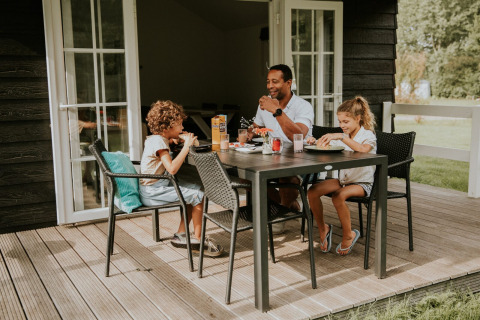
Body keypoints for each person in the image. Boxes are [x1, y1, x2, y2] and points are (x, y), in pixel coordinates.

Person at [139, 100, 224, 257]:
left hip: (155, 187)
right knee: (198, 195)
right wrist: (186, 147)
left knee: (195, 189)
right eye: (179, 125)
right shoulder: (159, 142)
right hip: (153, 191)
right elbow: (171, 169)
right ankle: (198, 239)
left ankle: (181, 234)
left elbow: (166, 150)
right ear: (167, 127)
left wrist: (174, 140)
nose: (182, 128)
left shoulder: (159, 139)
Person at [306, 96, 376, 255]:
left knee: (338, 196)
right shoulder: (346, 136)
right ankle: (323, 228)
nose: (342, 125)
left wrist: (341, 136)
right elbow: (328, 147)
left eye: (346, 122)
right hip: (343, 180)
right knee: (312, 191)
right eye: (340, 122)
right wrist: (314, 142)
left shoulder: (368, 136)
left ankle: (349, 235)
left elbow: (363, 150)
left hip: (362, 183)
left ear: (358, 119)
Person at [247, 64, 314, 232]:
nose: (270, 86)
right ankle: (285, 206)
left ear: (288, 82)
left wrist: (276, 111)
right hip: (272, 157)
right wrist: (250, 132)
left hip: (301, 161)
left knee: (287, 178)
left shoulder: (303, 106)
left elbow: (297, 136)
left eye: (275, 81)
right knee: (248, 177)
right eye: (268, 81)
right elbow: (255, 128)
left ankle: (281, 214)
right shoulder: (265, 104)